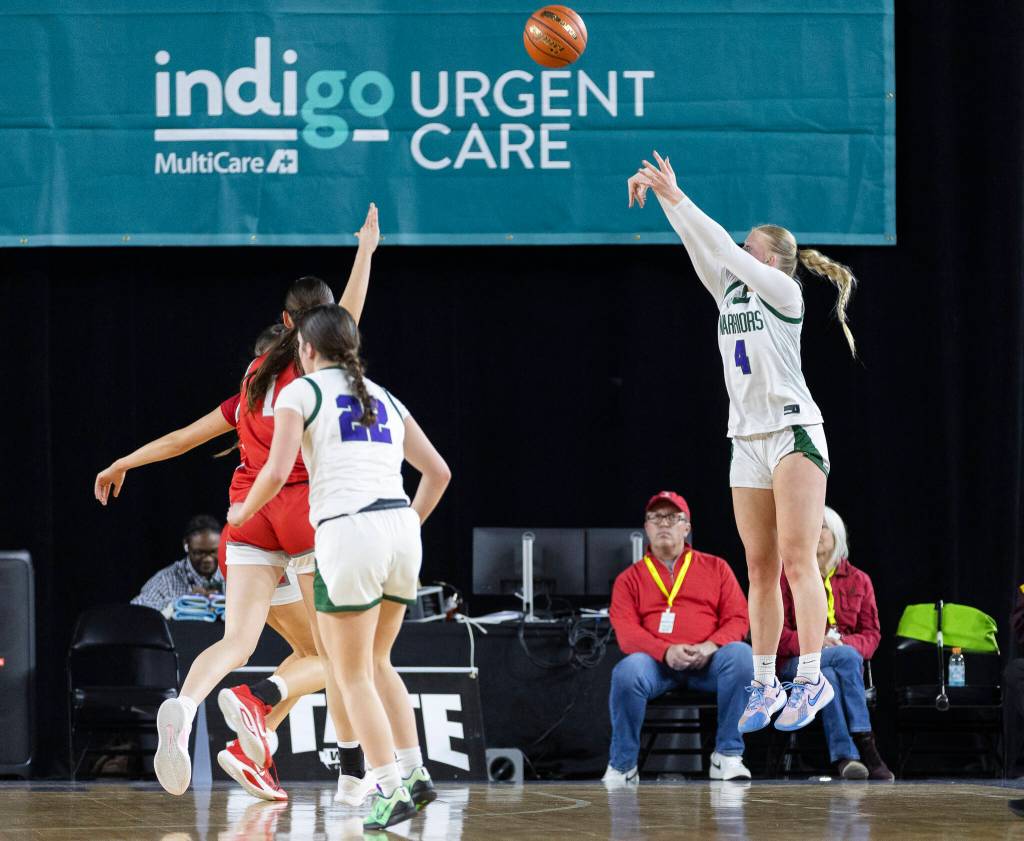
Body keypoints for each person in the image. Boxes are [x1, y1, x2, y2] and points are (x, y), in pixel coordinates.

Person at [93, 203, 380, 803]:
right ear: (322, 325)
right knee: (340, 659)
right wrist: (366, 252)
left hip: (246, 518)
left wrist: (123, 461)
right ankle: (262, 703)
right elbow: (349, 312)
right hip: (298, 511)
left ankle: (192, 707)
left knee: (237, 642)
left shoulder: (252, 378)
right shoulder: (315, 371)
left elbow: (183, 438)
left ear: (281, 321)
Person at [628, 152, 858, 733]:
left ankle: (811, 675)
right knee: (759, 566)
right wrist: (666, 199)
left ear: (772, 258)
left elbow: (721, 247)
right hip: (746, 437)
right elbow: (703, 248)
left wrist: (675, 194)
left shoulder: (784, 292)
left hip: (793, 431)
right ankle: (764, 680)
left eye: (750, 244)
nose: (739, 248)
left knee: (798, 558)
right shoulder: (728, 292)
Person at [227, 304, 451, 832]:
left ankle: (388, 788)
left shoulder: (299, 392)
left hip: (350, 533)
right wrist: (406, 526)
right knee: (379, 662)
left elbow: (277, 472)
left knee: (349, 673)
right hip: (400, 531)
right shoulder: (387, 398)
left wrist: (242, 511)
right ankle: (416, 775)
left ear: (304, 349)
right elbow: (438, 472)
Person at [605, 491, 753, 783]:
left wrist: (710, 646)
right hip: (656, 665)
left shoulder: (716, 568)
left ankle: (727, 755)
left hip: (709, 663)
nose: (664, 524)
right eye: (656, 517)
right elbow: (626, 631)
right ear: (646, 528)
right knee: (626, 672)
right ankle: (623, 766)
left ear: (687, 528)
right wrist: (665, 651)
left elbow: (739, 618)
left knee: (742, 656)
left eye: (673, 518)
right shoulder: (629, 578)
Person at [778, 506, 893, 780]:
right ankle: (867, 743)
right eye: (810, 526)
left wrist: (840, 645)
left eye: (823, 527)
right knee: (845, 658)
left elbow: (872, 634)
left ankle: (845, 757)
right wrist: (816, 644)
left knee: (829, 672)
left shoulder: (859, 580)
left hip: (837, 665)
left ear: (837, 534)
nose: (816, 533)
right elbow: (777, 635)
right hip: (795, 663)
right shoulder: (786, 577)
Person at [131, 515, 224, 616]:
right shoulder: (166, 580)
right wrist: (180, 603)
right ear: (186, 545)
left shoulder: (234, 575)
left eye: (214, 552)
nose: (207, 559)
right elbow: (134, 612)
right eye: (199, 553)